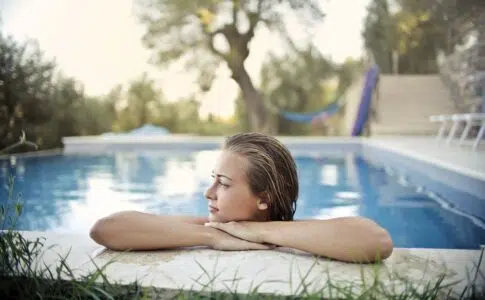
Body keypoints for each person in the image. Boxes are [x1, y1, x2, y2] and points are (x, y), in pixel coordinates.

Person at [90, 132, 393, 263]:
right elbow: (106, 229)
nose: (209, 193)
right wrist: (213, 239)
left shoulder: (299, 233)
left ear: (264, 198)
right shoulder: (211, 227)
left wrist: (259, 230)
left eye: (222, 183)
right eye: (213, 180)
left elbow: (377, 241)